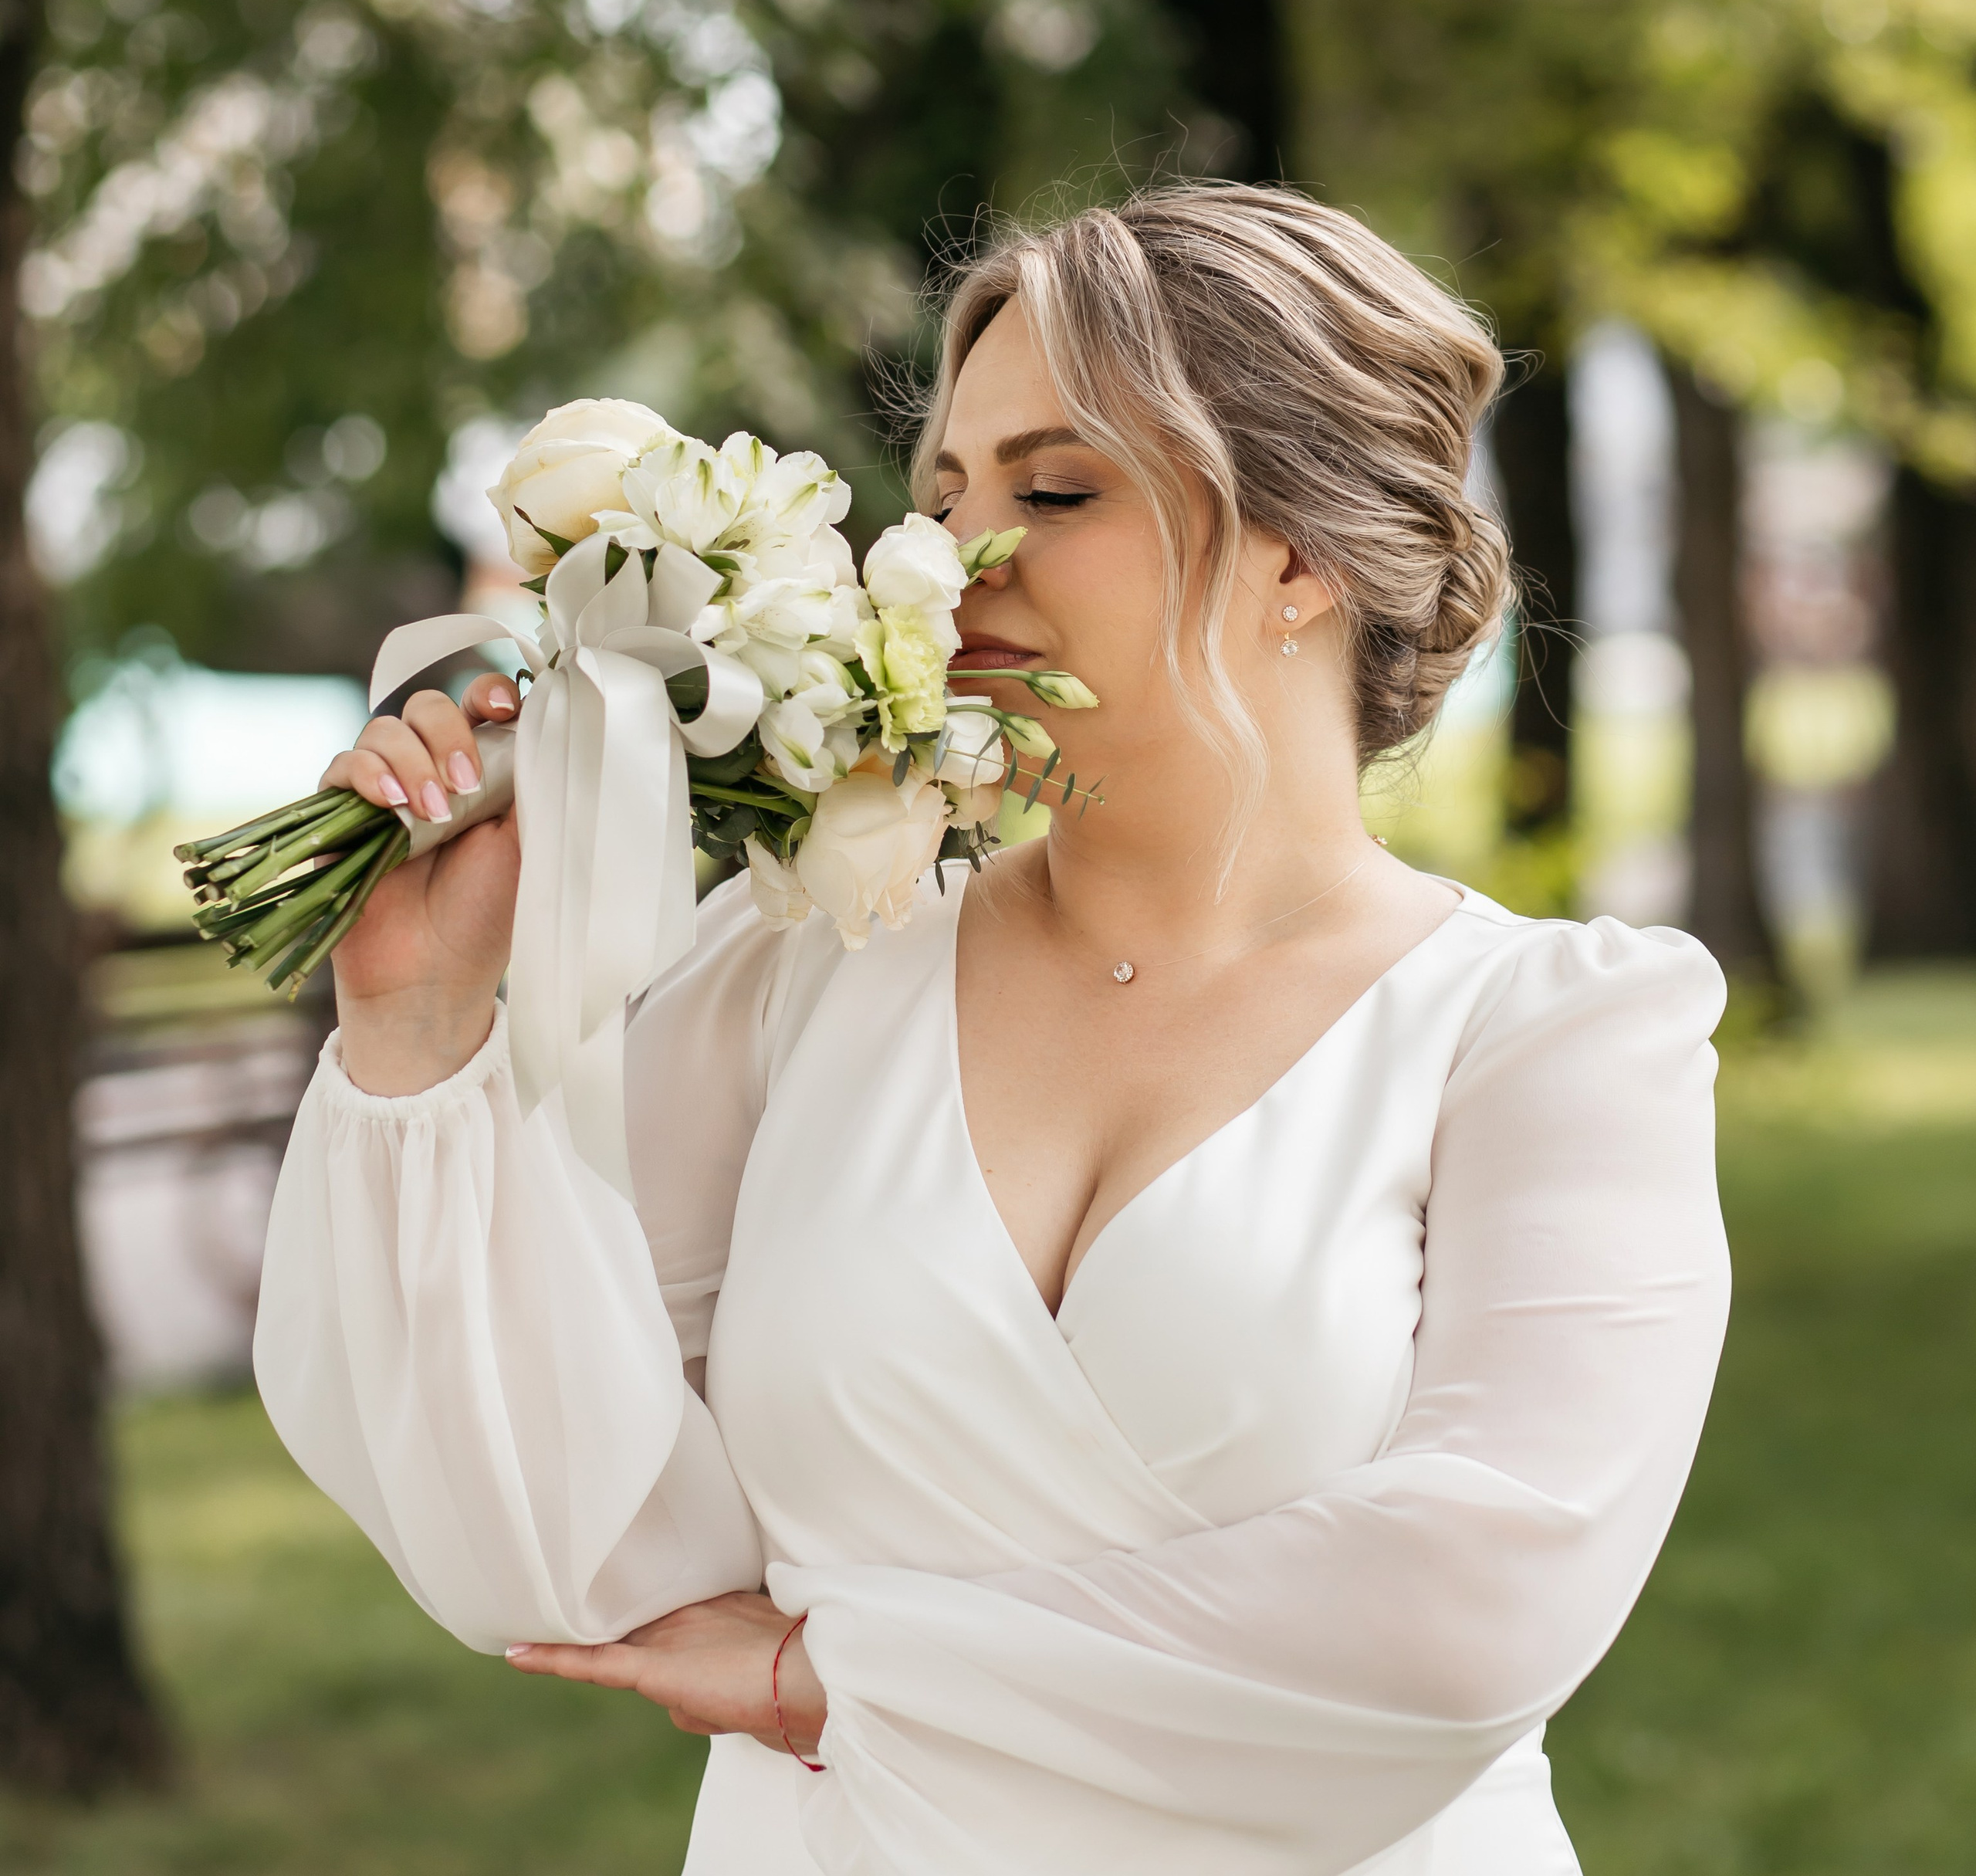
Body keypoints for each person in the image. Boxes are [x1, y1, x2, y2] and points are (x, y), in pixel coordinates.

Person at [255, 183, 1730, 1875]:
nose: (956, 561)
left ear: (1302, 552)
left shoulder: (1550, 1041)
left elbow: (1471, 1607)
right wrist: (421, 1016)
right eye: (946, 492)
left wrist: (843, 1677)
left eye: (1057, 489)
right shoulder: (810, 958)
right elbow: (548, 1530)